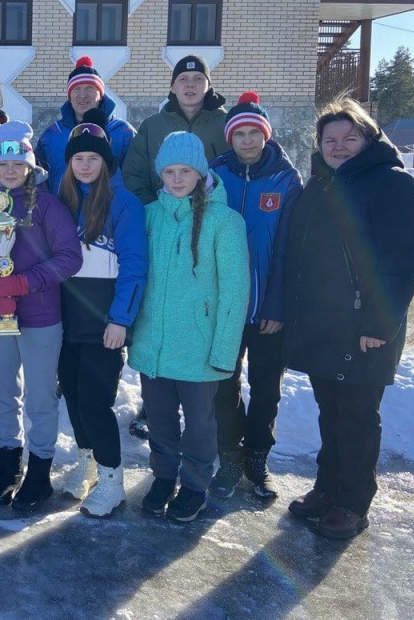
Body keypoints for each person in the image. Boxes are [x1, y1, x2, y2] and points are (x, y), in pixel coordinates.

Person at [282, 99, 414, 540]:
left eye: (350, 138)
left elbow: (402, 262)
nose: (339, 146)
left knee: (358, 417)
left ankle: (353, 503)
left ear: (369, 139)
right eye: (330, 140)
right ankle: (327, 488)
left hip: (366, 327)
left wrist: (380, 325)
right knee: (331, 411)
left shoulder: (391, 183)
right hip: (324, 323)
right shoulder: (320, 185)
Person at [128, 132, 249, 523]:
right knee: (160, 419)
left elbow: (234, 292)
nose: (177, 179)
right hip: (154, 344)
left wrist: (224, 351)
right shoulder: (149, 216)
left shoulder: (224, 222)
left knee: (199, 424)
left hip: (199, 346)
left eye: (185, 171)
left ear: (200, 173)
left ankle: (195, 485)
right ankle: (163, 477)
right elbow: (134, 276)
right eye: (169, 171)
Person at [0, 122, 83, 512]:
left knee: (40, 396)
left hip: (40, 316)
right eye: (3, 165)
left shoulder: (48, 206)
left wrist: (23, 283)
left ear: (30, 166)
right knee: (2, 391)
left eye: (18, 164)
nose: (10, 171)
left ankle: (40, 470)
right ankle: (9, 462)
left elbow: (70, 257)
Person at [207, 92, 302, 502]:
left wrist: (277, 306)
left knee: (266, 388)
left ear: (266, 135)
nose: (247, 140)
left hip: (267, 309)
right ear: (230, 137)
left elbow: (289, 250)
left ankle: (258, 457)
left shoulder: (286, 180)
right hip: (224, 307)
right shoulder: (214, 175)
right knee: (223, 387)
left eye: (254, 133)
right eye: (239, 134)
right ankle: (229, 458)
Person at [56, 120, 147, 518]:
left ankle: (112, 480)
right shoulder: (61, 200)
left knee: (96, 403)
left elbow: (134, 266)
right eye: (78, 158)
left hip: (104, 323)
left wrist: (120, 319)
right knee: (74, 398)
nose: (85, 165)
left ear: (106, 163)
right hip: (66, 322)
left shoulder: (124, 204)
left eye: (93, 158)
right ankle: (88, 462)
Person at [122, 54, 229, 205]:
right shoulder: (151, 127)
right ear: (173, 87)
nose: (190, 84)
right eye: (183, 79)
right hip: (162, 214)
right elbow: (134, 176)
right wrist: (154, 210)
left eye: (198, 78)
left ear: (209, 86)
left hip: (216, 214)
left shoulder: (227, 125)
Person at [35, 56, 135, 194]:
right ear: (69, 96)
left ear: (101, 94)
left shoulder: (123, 132)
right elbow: (38, 179)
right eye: (76, 89)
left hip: (110, 205)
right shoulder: (53, 134)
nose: (83, 95)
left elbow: (135, 177)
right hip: (62, 206)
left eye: (90, 88)